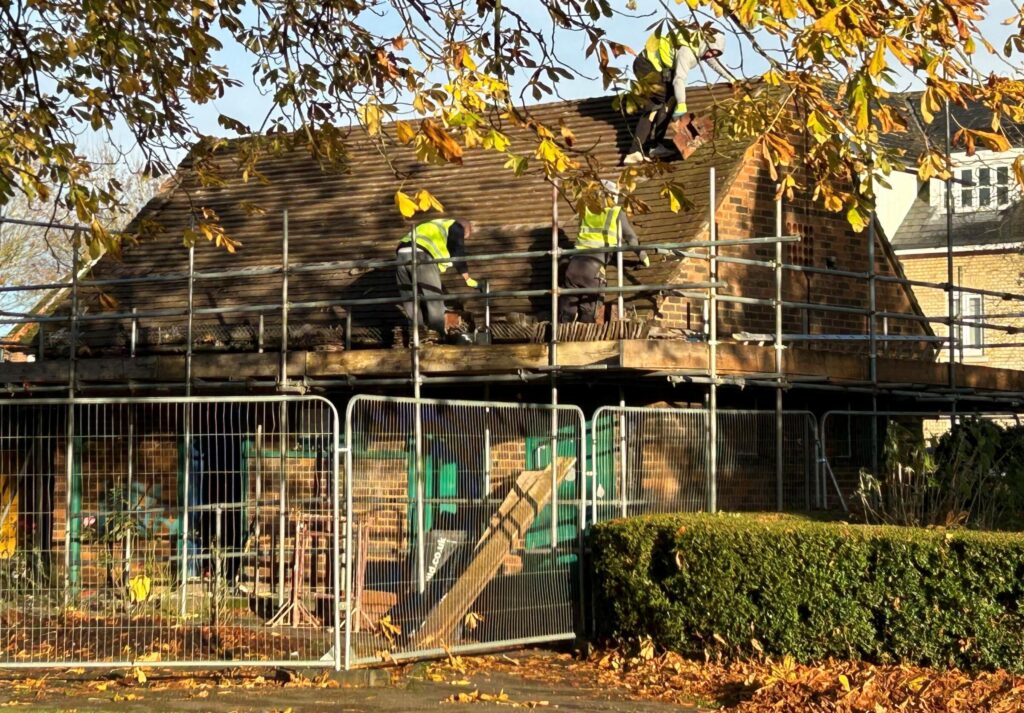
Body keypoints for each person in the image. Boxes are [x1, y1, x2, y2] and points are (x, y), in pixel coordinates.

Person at [623, 27, 731, 165]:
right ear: (705, 44)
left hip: (661, 72)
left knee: (668, 102)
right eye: (711, 51)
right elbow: (679, 79)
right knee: (657, 104)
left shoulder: (700, 48)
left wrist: (732, 78)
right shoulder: (686, 51)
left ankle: (654, 146)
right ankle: (635, 152)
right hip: (646, 66)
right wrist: (682, 104)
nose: (710, 55)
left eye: (715, 53)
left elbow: (714, 63)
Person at [558, 182, 649, 324]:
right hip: (594, 269)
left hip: (573, 265)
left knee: (567, 310)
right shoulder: (615, 212)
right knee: (589, 311)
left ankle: (560, 341)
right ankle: (584, 344)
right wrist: (643, 257)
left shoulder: (585, 209)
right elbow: (631, 238)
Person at [396, 218, 481, 343]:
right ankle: (437, 337)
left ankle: (416, 336)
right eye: (465, 237)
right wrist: (467, 278)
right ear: (466, 228)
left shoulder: (432, 225)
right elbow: (458, 252)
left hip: (401, 255)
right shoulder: (456, 226)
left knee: (410, 299)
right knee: (434, 299)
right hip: (421, 256)